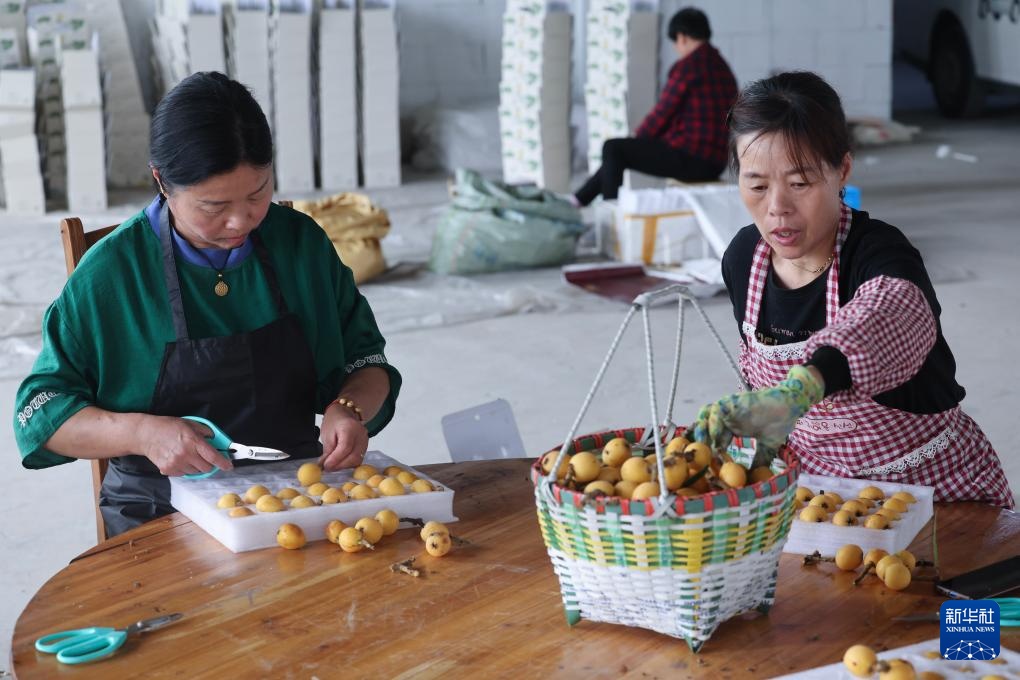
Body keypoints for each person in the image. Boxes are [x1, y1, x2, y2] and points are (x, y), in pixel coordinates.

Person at [13, 72, 402, 536]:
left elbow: (367, 359)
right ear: (162, 181)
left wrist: (349, 407)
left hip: (292, 496)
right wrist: (140, 433)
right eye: (213, 206)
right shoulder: (110, 276)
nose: (241, 220)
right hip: (160, 509)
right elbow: (40, 413)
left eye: (258, 193)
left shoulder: (300, 245)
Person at [691, 71, 1013, 508]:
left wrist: (799, 391)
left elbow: (886, 316)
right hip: (821, 498)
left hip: (933, 492)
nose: (777, 208)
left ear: (842, 169)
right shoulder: (744, 260)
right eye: (757, 185)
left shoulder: (878, 252)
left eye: (800, 183)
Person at [572, 7, 737, 207]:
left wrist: (638, 138)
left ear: (682, 37)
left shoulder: (689, 66)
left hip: (692, 158)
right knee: (619, 151)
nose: (677, 49)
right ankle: (578, 199)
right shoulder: (723, 67)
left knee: (614, 149)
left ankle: (609, 214)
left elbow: (664, 112)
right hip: (717, 162)